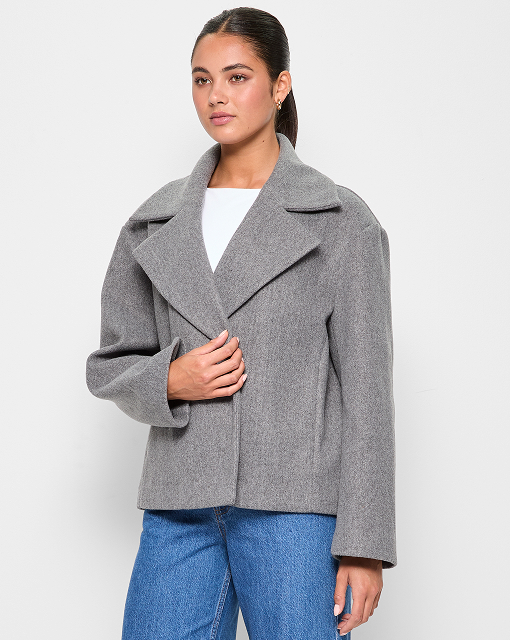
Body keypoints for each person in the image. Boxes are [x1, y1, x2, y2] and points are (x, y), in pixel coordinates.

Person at [86, 7, 397, 640]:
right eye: (201, 79)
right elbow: (110, 364)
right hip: (179, 503)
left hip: (296, 512)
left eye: (236, 77)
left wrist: (365, 546)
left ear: (280, 86)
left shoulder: (340, 221)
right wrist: (170, 380)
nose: (216, 96)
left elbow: (368, 396)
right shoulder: (153, 222)